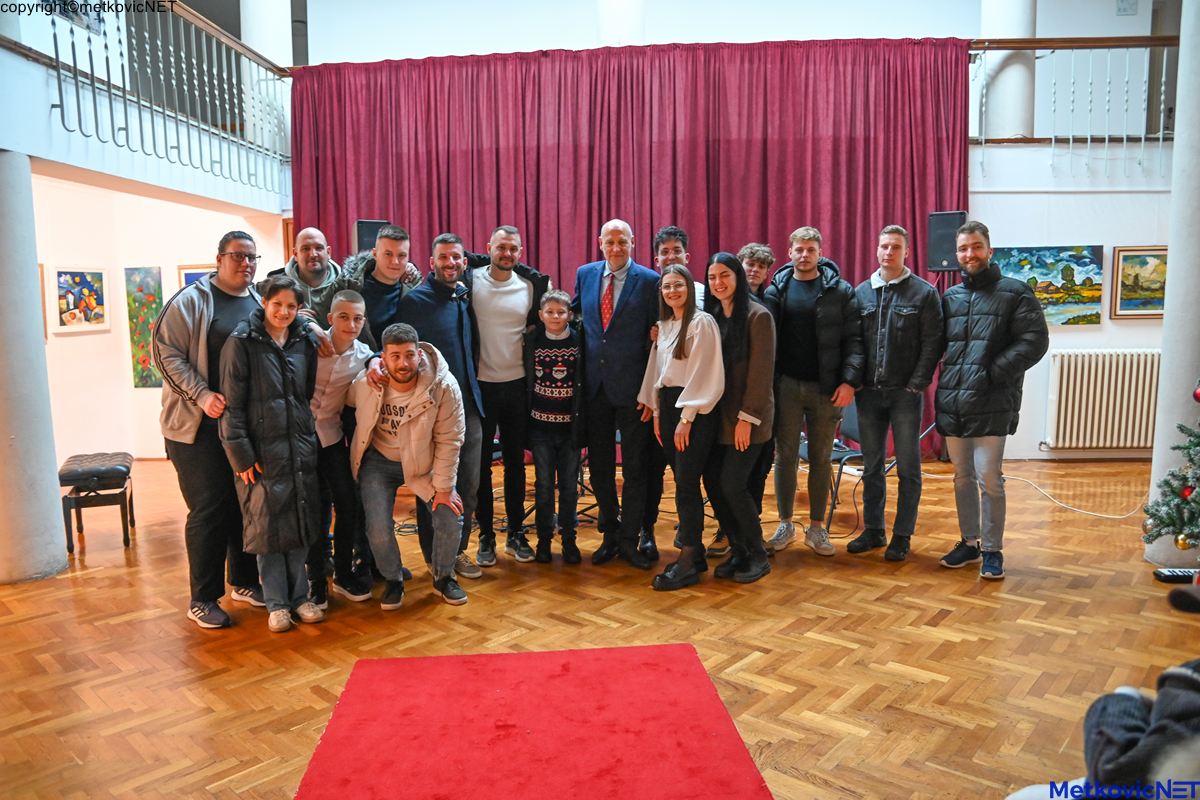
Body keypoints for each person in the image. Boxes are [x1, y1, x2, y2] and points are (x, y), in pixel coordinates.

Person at [152, 230, 265, 629]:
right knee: (210, 508)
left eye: (252, 257)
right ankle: (202, 598)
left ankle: (245, 582)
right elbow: (163, 353)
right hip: (195, 429)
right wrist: (201, 395)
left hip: (239, 428)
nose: (245, 263)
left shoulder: (257, 302)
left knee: (243, 503)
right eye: (237, 256)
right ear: (219, 259)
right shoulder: (191, 301)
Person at [936, 220, 1048, 580]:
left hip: (993, 400)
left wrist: (992, 372)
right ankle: (970, 543)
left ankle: (992, 549)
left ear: (989, 249)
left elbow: (1035, 341)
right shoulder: (950, 297)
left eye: (976, 246)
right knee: (961, 477)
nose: (970, 254)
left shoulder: (1015, 292)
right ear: (957, 254)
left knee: (989, 478)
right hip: (954, 402)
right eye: (963, 248)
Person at [219, 275, 325, 633]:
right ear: (264, 303)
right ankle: (277, 603)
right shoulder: (241, 341)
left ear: (299, 309)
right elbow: (231, 406)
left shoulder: (304, 340)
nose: (283, 312)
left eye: (291, 306)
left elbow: (304, 394)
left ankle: (300, 597)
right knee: (267, 528)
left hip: (298, 446)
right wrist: (241, 456)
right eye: (277, 304)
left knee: (298, 523)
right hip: (260, 452)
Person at [349, 323, 468, 608]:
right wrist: (368, 364)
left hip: (424, 462)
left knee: (450, 515)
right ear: (383, 358)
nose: (403, 363)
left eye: (409, 355)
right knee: (377, 526)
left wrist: (444, 488)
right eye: (395, 356)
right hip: (380, 461)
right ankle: (393, 579)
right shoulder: (367, 383)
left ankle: (443, 577)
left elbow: (450, 440)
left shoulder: (444, 386)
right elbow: (339, 398)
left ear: (420, 354)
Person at [763, 226, 863, 558]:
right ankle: (785, 524)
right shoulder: (777, 289)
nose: (804, 255)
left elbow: (854, 340)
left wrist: (849, 381)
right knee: (785, 457)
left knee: (820, 458)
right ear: (789, 252)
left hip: (826, 388)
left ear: (820, 254)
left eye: (810, 250)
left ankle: (818, 527)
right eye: (799, 249)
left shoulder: (840, 291)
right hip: (786, 386)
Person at [847, 225, 944, 562]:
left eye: (895, 247)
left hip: (905, 394)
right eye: (884, 246)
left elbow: (933, 344)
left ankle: (902, 535)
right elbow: (854, 341)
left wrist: (916, 384)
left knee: (908, 467)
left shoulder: (924, 293)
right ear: (877, 250)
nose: (888, 252)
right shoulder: (861, 292)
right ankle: (874, 530)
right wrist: (856, 379)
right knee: (871, 466)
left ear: (906, 252)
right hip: (869, 395)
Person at [572, 219, 659, 570]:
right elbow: (577, 319)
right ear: (600, 243)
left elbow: (657, 342)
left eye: (622, 241)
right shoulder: (585, 274)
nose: (616, 248)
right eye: (610, 242)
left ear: (633, 242)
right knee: (600, 469)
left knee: (636, 468)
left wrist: (650, 392)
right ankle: (609, 533)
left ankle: (630, 538)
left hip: (634, 391)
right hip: (596, 389)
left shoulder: (650, 281)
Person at [399, 233, 485, 580]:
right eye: (444, 257)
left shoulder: (463, 296)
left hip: (470, 407)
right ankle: (435, 558)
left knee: (469, 485)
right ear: (431, 262)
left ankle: (457, 551)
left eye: (456, 257)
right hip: (431, 412)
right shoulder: (414, 302)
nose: (450, 263)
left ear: (465, 262)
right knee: (433, 488)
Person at [463, 225, 550, 567]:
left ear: (520, 252)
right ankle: (486, 534)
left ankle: (516, 532)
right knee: (481, 465)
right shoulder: (470, 279)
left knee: (515, 462)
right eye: (501, 247)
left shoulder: (531, 285)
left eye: (513, 249)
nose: (507, 253)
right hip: (480, 386)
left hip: (517, 386)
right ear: (489, 247)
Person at [638, 264, 724, 590]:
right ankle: (696, 552)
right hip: (669, 408)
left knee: (687, 484)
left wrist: (686, 419)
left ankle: (687, 558)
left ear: (690, 287)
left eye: (678, 285)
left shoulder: (702, 323)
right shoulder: (664, 326)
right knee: (682, 481)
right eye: (667, 286)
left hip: (694, 409)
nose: (672, 291)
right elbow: (658, 373)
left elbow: (705, 373)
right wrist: (658, 413)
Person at [702, 253, 775, 584]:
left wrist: (748, 418)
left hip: (748, 418)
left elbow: (761, 373)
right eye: (712, 277)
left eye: (724, 275)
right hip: (719, 417)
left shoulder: (758, 316)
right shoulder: (713, 315)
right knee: (714, 484)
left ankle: (758, 554)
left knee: (733, 484)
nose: (718, 282)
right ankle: (739, 549)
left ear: (737, 278)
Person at [305, 290, 375, 608]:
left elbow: (376, 359)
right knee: (314, 509)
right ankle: (316, 579)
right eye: (344, 317)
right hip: (301, 438)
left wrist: (376, 361)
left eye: (358, 318)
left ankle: (344, 573)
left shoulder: (363, 355)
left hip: (331, 437)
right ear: (331, 318)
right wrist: (308, 323)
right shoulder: (310, 343)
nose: (351, 324)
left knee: (347, 503)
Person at [640, 224, 704, 561]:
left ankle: (691, 540)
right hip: (657, 396)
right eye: (664, 252)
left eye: (676, 251)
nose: (670, 256)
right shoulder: (650, 293)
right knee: (652, 470)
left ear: (686, 256)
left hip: (692, 398)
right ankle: (647, 530)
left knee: (687, 476)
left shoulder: (703, 296)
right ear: (656, 259)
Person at [525, 290, 584, 564]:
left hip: (570, 429)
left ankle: (569, 539)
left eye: (561, 312)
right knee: (544, 486)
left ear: (569, 315)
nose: (556, 317)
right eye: (550, 312)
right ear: (541, 315)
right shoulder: (532, 341)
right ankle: (544, 540)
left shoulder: (578, 340)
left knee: (570, 487)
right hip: (540, 428)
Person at [735, 242, 778, 545]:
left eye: (761, 266)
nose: (754, 270)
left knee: (761, 467)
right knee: (736, 471)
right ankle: (731, 530)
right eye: (750, 264)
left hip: (769, 394)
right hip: (737, 397)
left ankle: (754, 528)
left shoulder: (772, 301)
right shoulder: (726, 300)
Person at [321, 225, 421, 349]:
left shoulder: (414, 292)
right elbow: (315, 315)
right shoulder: (348, 285)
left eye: (401, 255)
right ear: (374, 253)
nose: (395, 261)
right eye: (388, 254)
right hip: (354, 360)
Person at [268, 227, 343, 319]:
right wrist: (292, 318)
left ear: (328, 252)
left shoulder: (346, 285)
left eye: (319, 248)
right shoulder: (275, 287)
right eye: (306, 249)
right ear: (295, 254)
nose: (313, 254)